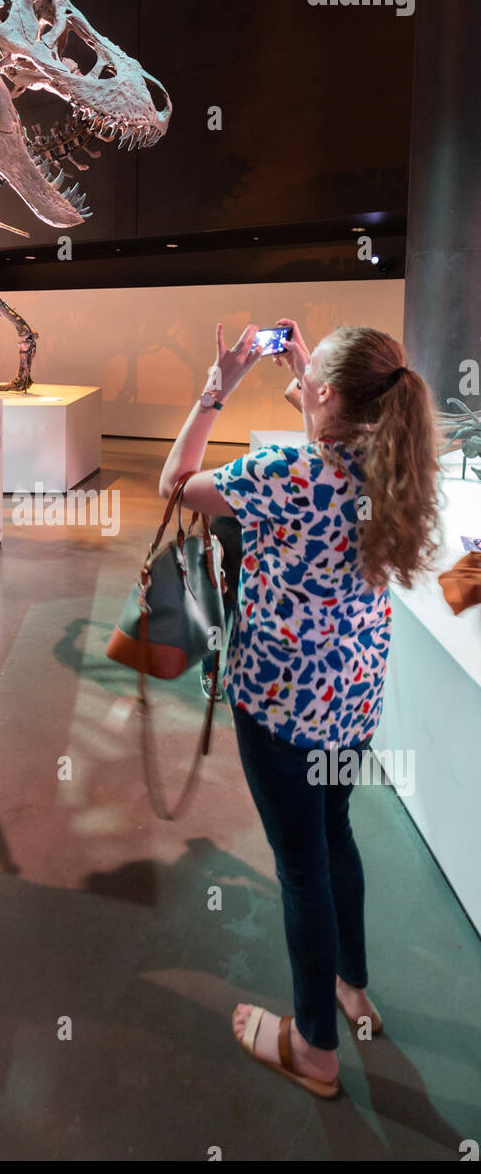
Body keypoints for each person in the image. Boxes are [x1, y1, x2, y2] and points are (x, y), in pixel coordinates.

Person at [159, 319, 441, 1098]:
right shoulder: (396, 467)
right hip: (351, 699)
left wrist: (219, 382)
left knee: (301, 870)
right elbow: (334, 451)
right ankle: (352, 986)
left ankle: (315, 1047)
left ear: (323, 393)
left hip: (281, 703)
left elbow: (175, 486)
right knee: (335, 834)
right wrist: (314, 379)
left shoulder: (280, 474)